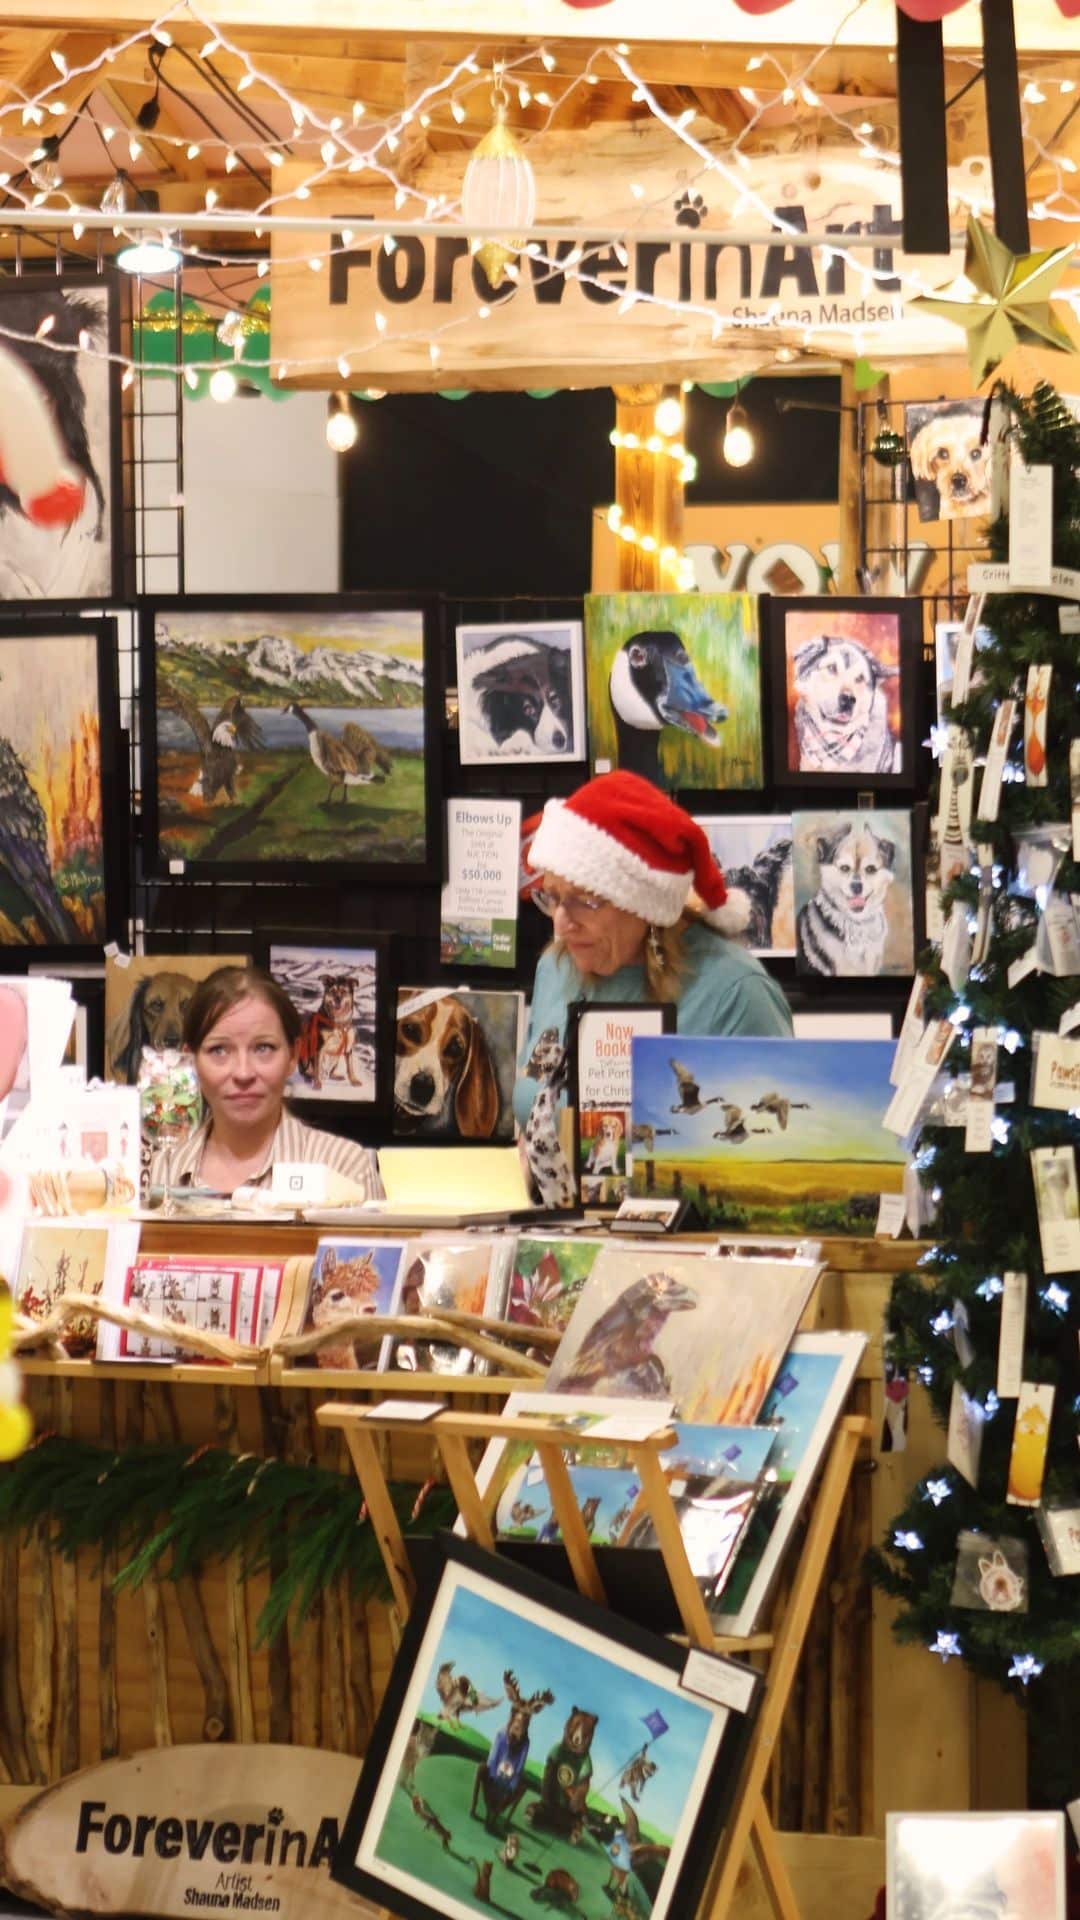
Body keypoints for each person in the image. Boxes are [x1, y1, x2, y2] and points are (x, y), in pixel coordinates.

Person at [514, 771, 792, 1141]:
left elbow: (770, 1147)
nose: (562, 924)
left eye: (585, 900)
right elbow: (531, 1100)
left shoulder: (736, 995)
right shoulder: (556, 966)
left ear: (644, 906)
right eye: (552, 896)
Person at [148, 965, 383, 1200]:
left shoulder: (343, 1167)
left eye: (263, 1048)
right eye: (218, 1050)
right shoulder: (158, 1173)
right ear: (191, 1062)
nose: (243, 1073)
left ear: (293, 1055)